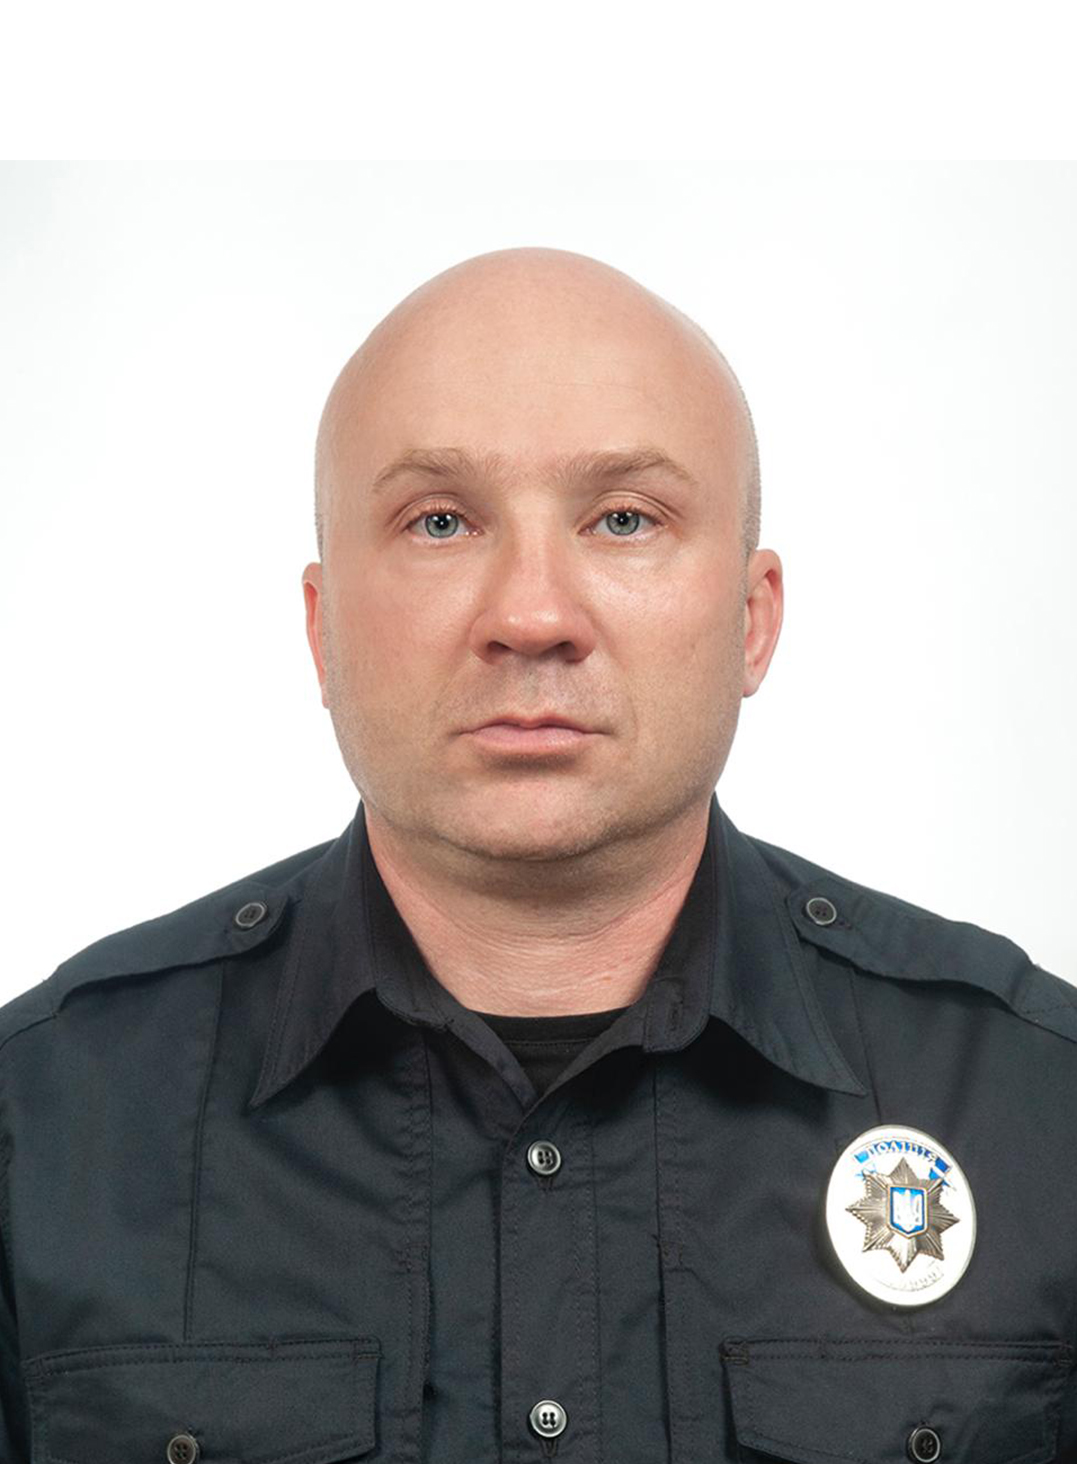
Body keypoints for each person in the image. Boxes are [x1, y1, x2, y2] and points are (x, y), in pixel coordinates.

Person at [1, 246, 1074, 1464]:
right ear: (322, 625)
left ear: (752, 618)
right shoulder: (45, 1124)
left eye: (624, 519)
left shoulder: (1041, 1107)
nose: (531, 615)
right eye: (440, 521)